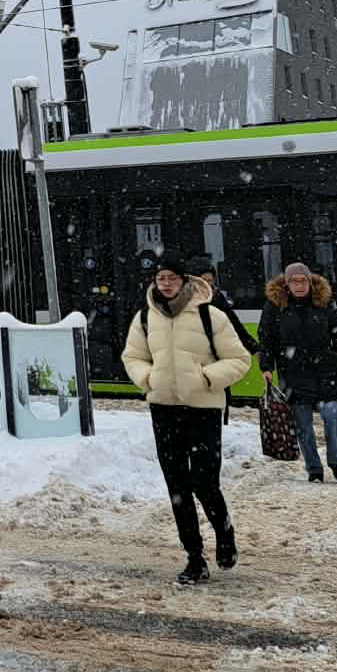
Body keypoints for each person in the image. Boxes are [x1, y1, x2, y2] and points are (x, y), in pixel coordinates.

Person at [122, 250, 253, 585]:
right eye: (160, 278)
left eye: (172, 278)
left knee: (205, 483)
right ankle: (194, 558)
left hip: (203, 410)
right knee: (177, 485)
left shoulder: (211, 316)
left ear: (184, 281)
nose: (165, 284)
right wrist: (148, 379)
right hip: (163, 410)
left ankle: (225, 535)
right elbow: (132, 356)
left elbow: (239, 359)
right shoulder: (145, 318)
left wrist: (206, 379)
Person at [260, 262, 337, 483]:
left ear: (310, 282)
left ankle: (336, 462)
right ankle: (314, 469)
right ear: (287, 283)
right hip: (293, 372)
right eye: (294, 281)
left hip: (325, 370)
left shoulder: (324, 301)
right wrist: (266, 366)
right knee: (302, 424)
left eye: (303, 281)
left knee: (332, 415)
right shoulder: (274, 306)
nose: (299, 285)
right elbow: (267, 338)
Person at [187, 254, 258, 413]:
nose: (208, 285)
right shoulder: (182, 303)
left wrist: (255, 348)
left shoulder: (217, 299)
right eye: (203, 281)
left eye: (210, 281)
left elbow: (234, 325)